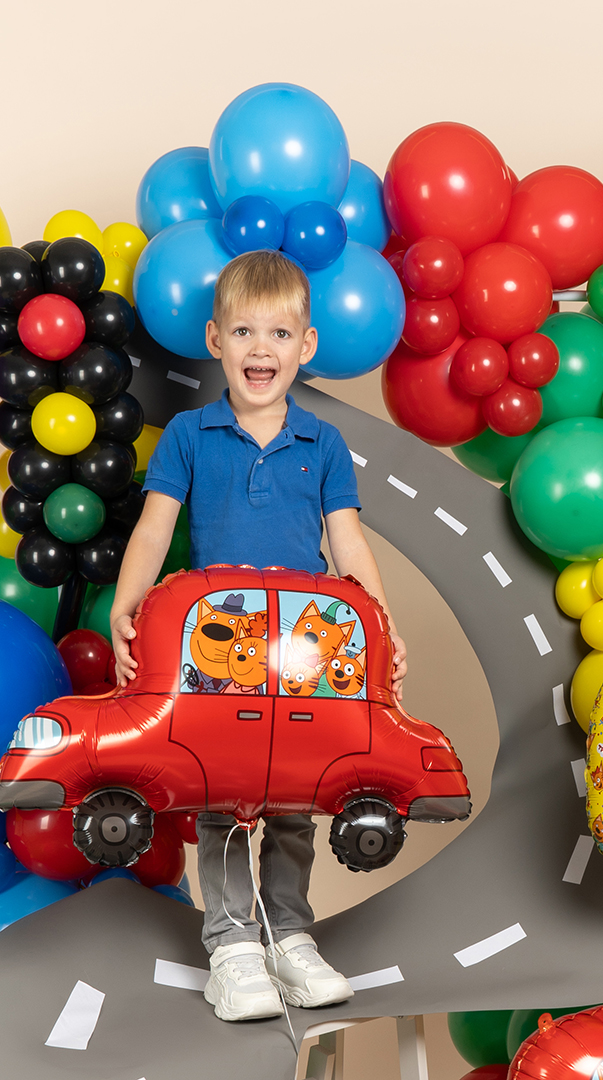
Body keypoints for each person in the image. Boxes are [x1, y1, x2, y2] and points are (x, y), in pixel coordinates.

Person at [109, 249, 408, 1022]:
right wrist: (127, 607)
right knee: (221, 792)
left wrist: (380, 628)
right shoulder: (188, 434)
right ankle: (232, 946)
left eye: (278, 333)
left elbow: (348, 545)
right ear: (216, 339)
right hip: (217, 649)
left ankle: (288, 935)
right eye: (243, 331)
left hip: (304, 654)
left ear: (306, 346)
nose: (260, 348)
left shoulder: (324, 444)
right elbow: (154, 530)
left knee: (293, 794)